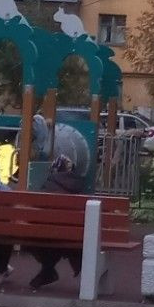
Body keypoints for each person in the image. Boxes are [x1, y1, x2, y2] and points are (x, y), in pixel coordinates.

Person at [27, 118, 92, 292]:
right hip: (71, 237)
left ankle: (48, 271)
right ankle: (79, 266)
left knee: (40, 236)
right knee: (73, 237)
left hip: (44, 237)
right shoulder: (78, 188)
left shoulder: (47, 186)